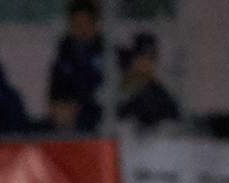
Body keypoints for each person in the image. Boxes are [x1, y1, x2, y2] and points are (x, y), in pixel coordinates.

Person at [48, 1, 104, 133]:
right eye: (77, 24)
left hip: (99, 123)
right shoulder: (63, 56)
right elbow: (55, 94)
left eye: (86, 24)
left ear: (94, 24)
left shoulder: (107, 54)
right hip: (70, 128)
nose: (82, 30)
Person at [117, 33, 179, 131]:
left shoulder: (158, 94)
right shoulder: (118, 90)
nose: (145, 64)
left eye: (150, 59)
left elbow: (171, 120)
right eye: (139, 58)